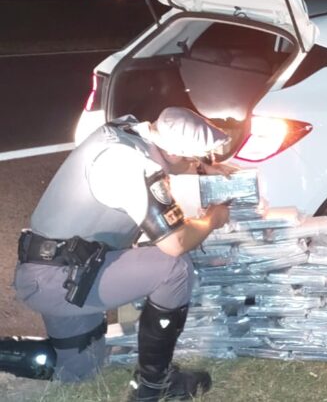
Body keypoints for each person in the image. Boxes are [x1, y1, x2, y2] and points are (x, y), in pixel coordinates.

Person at [12, 107, 233, 401]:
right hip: (61, 279)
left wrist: (207, 171)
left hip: (60, 272)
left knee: (79, 371)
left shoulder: (126, 134)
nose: (201, 165)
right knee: (172, 267)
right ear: (177, 153)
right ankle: (155, 386)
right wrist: (212, 220)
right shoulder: (131, 164)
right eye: (199, 160)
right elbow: (175, 242)